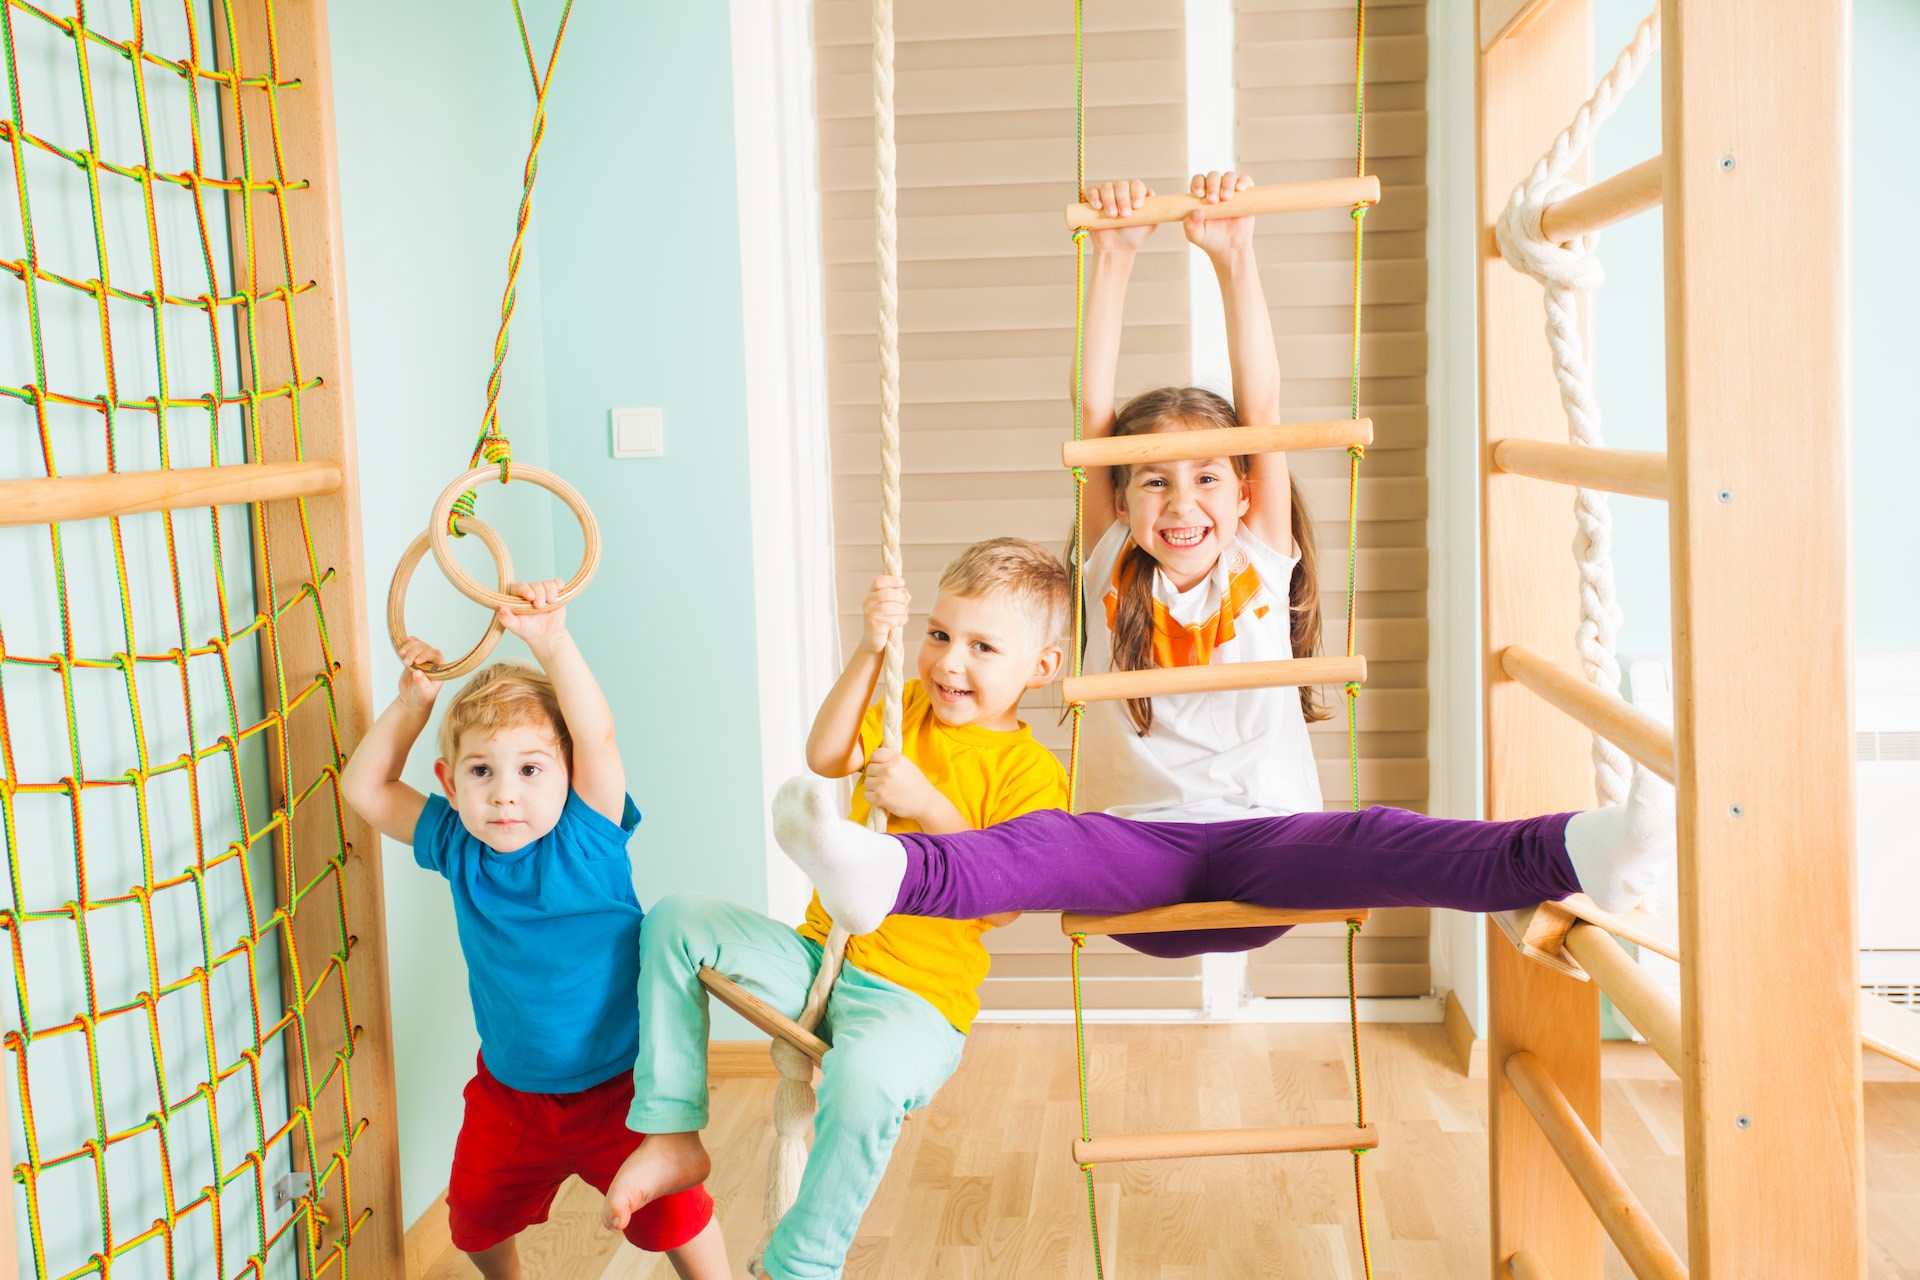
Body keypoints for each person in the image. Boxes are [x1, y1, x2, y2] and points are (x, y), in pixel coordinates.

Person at [769, 170, 1675, 952]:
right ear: (1120, 501)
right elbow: (1092, 412)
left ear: (1244, 491)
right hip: (1128, 858)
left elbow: (1265, 399)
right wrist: (1115, 257)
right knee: (1039, 843)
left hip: (1267, 848)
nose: (1180, 502)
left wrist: (1234, 256)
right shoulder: (1109, 563)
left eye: (1207, 477)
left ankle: (1587, 850)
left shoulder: (1262, 554)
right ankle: (882, 872)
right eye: (1152, 483)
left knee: (1385, 837)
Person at [600, 539, 1072, 1280]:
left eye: (983, 647)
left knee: (869, 1080)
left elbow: (1008, 900)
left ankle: (802, 1263)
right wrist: (870, 649)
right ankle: (669, 1126)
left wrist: (927, 805)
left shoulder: (1032, 773)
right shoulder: (904, 704)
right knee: (674, 921)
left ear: (1040, 669)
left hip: (914, 1001)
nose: (950, 662)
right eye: (940, 635)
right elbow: (825, 755)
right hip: (822, 958)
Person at [339, 580, 727, 1280]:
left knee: (676, 1215)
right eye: (481, 772)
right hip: (513, 1092)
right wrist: (410, 705)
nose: (505, 792)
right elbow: (365, 789)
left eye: (529, 769)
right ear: (449, 785)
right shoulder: (457, 842)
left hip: (621, 1088)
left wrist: (552, 641)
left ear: (568, 774)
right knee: (473, 1219)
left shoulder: (589, 833)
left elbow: (596, 733)